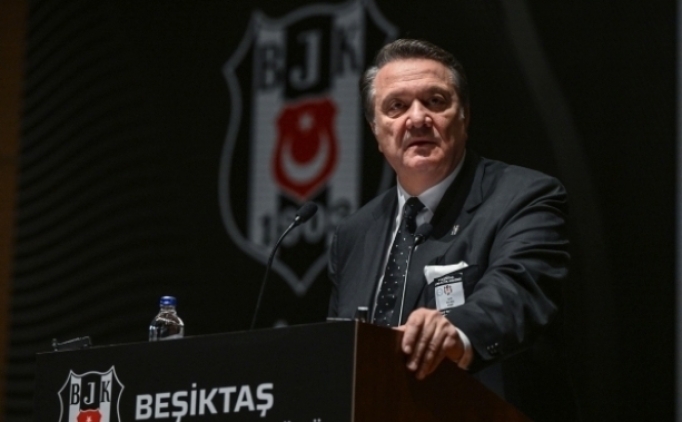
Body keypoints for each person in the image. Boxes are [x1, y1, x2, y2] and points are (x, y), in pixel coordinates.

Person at [327, 39, 576, 421]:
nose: (417, 118)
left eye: (435, 101)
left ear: (464, 116)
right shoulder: (353, 234)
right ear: (376, 131)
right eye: (396, 106)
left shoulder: (524, 196)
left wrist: (454, 332)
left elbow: (516, 290)